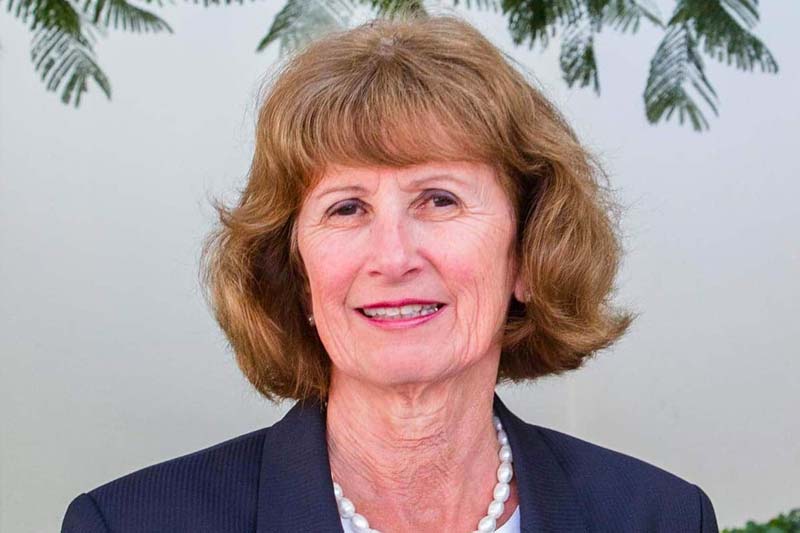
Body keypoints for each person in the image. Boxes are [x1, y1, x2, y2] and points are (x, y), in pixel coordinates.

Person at [61, 14, 719, 533]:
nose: (394, 255)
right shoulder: (131, 523)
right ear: (298, 271)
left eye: (439, 200)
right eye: (347, 207)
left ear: (527, 254)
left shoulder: (658, 517)